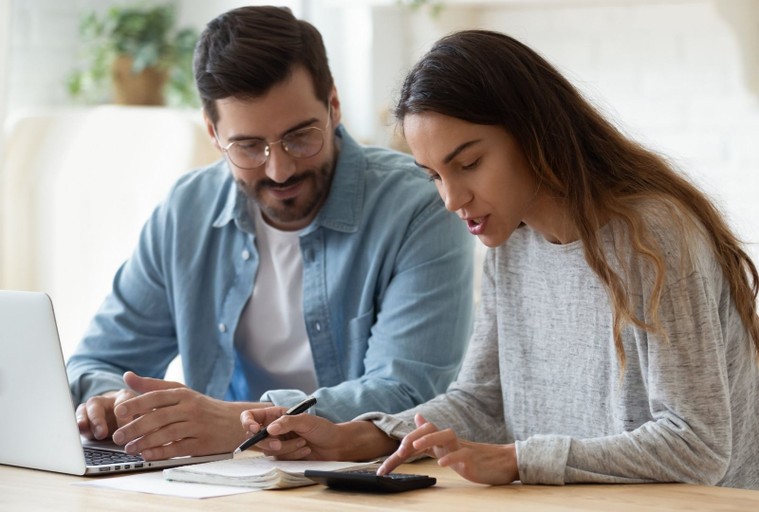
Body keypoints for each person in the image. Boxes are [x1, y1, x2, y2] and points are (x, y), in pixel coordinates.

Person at [239, 29, 759, 489]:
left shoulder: (653, 238)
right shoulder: (511, 242)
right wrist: (353, 437)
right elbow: (482, 402)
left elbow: (697, 445)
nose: (451, 199)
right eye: (434, 174)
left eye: (468, 163)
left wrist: (519, 461)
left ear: (535, 134)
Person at [66, 6, 474, 461]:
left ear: (333, 105)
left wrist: (237, 422)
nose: (279, 169)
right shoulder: (187, 210)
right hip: (217, 480)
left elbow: (408, 392)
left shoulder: (419, 206)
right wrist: (114, 405)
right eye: (248, 146)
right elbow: (95, 362)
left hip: (357, 477)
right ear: (213, 132)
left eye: (300, 137)